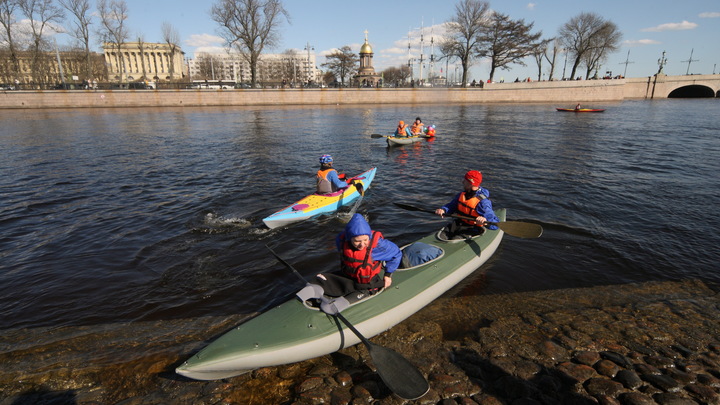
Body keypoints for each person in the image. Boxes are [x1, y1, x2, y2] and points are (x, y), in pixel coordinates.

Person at [310, 214, 402, 305]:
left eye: (365, 240)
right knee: (320, 278)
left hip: (368, 283)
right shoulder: (341, 240)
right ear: (349, 238)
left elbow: (396, 254)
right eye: (357, 241)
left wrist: (388, 275)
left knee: (342, 301)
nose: (362, 245)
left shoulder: (378, 245)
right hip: (348, 278)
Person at [434, 170, 500, 239]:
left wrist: (485, 222)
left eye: (465, 180)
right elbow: (452, 205)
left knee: (456, 239)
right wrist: (443, 210)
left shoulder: (483, 203)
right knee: (441, 236)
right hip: (458, 224)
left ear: (471, 183)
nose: (462, 182)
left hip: (472, 228)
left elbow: (495, 225)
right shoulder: (462, 194)